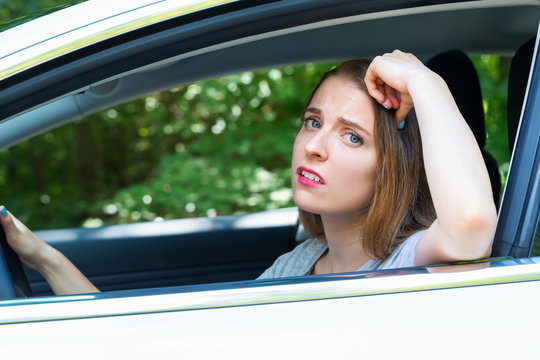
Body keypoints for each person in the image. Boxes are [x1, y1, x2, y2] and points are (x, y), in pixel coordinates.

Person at [0, 50, 497, 293]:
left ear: (393, 169)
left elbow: (472, 224)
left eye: (352, 136)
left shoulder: (407, 262)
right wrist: (42, 257)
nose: (314, 147)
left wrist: (420, 78)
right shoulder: (298, 264)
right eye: (312, 121)